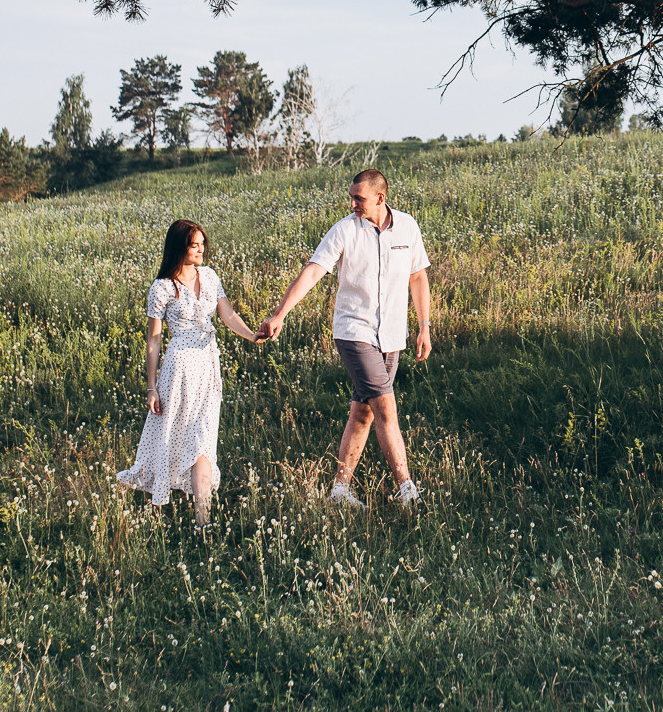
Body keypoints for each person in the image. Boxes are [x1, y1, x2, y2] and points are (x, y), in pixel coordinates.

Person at [257, 168, 433, 507]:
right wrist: (280, 314)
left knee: (363, 413)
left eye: (359, 198)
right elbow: (313, 271)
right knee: (386, 408)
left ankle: (339, 491)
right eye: (351, 197)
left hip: (392, 336)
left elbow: (418, 277)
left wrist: (424, 326)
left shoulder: (408, 227)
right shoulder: (344, 230)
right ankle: (407, 490)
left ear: (380, 198)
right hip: (355, 333)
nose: (353, 204)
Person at [116, 219, 262, 525]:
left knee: (203, 438)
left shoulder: (209, 276)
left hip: (208, 366)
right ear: (178, 248)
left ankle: (202, 520)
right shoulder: (162, 287)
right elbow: (154, 340)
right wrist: (151, 387)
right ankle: (159, 502)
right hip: (179, 370)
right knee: (171, 434)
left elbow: (227, 314)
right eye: (194, 245)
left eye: (202, 244)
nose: (200, 250)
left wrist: (251, 336)